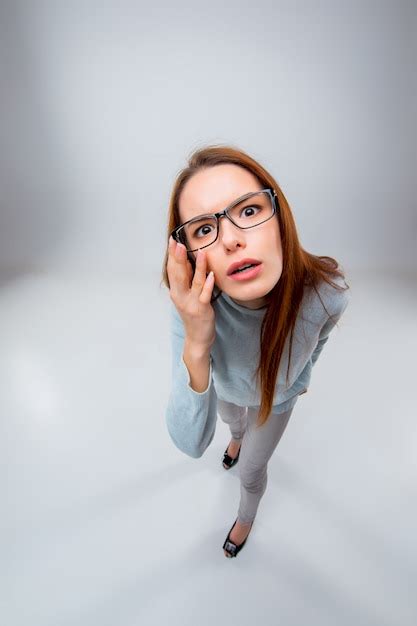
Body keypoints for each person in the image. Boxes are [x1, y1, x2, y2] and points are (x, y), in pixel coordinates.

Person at [160, 144, 350, 558]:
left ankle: (245, 517)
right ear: (190, 253)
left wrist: (296, 381)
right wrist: (197, 337)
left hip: (273, 402)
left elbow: (317, 344)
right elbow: (191, 442)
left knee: (250, 471)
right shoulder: (194, 308)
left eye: (247, 211)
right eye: (204, 229)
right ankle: (237, 437)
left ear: (278, 218)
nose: (231, 240)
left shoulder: (329, 294)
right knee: (231, 421)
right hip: (229, 390)